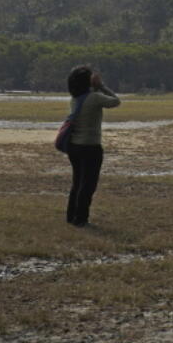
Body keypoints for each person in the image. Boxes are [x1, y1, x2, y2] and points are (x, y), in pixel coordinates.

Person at [65, 65, 120, 227]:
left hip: (74, 146)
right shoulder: (95, 97)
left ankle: (71, 216)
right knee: (88, 185)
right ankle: (81, 219)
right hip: (90, 147)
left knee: (77, 182)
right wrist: (101, 86)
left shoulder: (75, 98)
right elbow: (116, 101)